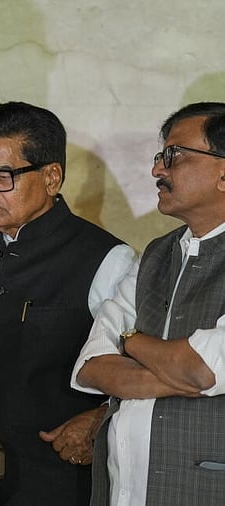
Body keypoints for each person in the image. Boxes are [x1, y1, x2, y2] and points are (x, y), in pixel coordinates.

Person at [0, 102, 137, 505]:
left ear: (51, 177)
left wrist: (100, 418)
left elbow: (135, 374)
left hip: (53, 480)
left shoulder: (108, 259)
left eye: (2, 177)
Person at [73, 102, 225, 506]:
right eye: (161, 157)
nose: (158, 170)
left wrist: (131, 343)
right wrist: (177, 374)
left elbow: (200, 369)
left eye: (174, 156)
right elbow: (91, 366)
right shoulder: (156, 255)